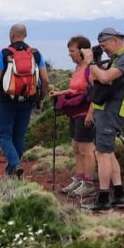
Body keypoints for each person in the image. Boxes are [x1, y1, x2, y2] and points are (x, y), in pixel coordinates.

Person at [82, 27, 124, 212]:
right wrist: (96, 61)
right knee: (108, 153)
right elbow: (96, 81)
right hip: (105, 109)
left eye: (105, 45)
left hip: (113, 110)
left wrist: (91, 61)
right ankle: (118, 195)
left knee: (102, 154)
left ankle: (103, 199)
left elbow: (106, 77)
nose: (104, 48)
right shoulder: (117, 58)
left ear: (115, 40)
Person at [0, 23, 50, 178]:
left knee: (5, 136)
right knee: (19, 136)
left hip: (7, 101)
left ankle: (15, 164)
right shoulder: (36, 54)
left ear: (11, 35)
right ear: (25, 35)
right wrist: (40, 100)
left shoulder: (4, 53)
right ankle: (12, 172)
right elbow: (45, 80)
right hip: (28, 100)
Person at [47, 36, 97, 197]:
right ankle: (79, 179)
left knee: (86, 149)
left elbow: (95, 93)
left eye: (72, 51)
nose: (70, 54)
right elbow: (75, 89)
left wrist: (91, 114)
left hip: (84, 113)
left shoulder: (91, 69)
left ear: (82, 51)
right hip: (75, 114)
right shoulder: (78, 69)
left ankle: (88, 183)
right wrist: (59, 93)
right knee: (76, 148)